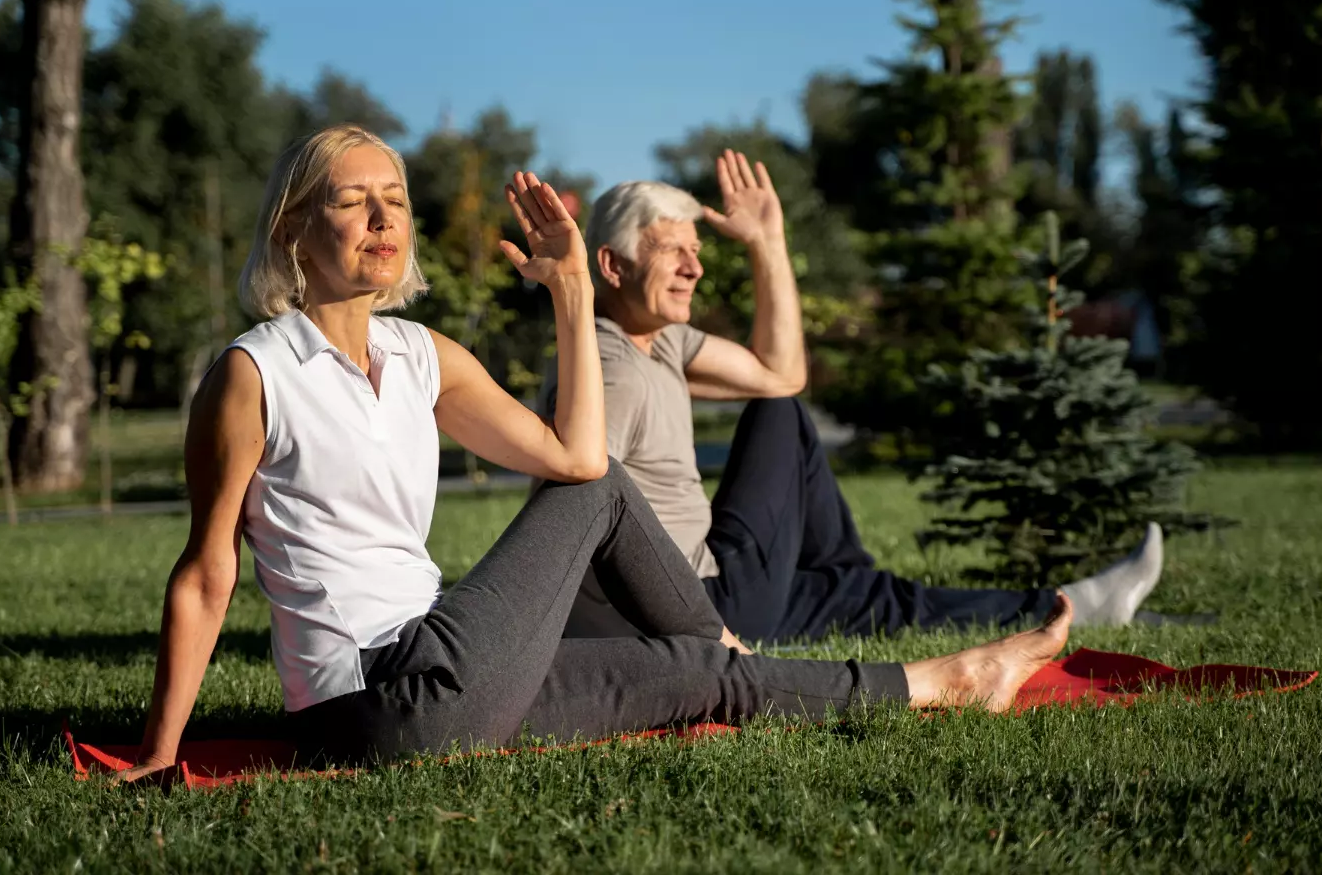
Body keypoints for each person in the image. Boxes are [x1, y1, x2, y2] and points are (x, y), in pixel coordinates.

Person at [118, 125, 1073, 779]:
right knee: (618, 512)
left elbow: (569, 455)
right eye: (353, 201)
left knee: (696, 676)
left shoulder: (422, 355)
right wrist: (163, 755)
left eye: (395, 200)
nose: (383, 219)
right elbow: (207, 575)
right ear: (295, 229)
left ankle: (950, 681)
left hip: (454, 682)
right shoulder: (256, 372)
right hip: (371, 697)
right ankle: (743, 644)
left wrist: (572, 290)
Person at [538, 150, 1163, 647]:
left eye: (697, 250)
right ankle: (853, 580)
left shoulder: (661, 340)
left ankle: (1077, 605)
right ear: (612, 267)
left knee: (874, 599)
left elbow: (782, 370)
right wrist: (637, 635)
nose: (695, 268)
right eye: (672, 250)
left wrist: (767, 243)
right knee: (778, 416)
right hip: (700, 605)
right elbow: (572, 502)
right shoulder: (609, 367)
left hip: (718, 594)